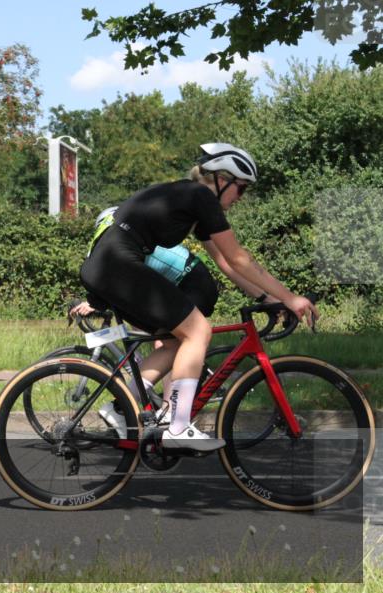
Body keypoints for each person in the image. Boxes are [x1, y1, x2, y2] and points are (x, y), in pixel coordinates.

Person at [79, 143, 318, 450]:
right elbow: (239, 258)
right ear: (222, 179)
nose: (240, 198)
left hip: (107, 266)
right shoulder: (200, 196)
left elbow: (226, 264)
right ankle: (177, 427)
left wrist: (267, 299)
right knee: (198, 331)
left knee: (175, 340)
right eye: (241, 188)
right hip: (117, 265)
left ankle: (120, 406)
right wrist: (291, 297)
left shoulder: (189, 200)